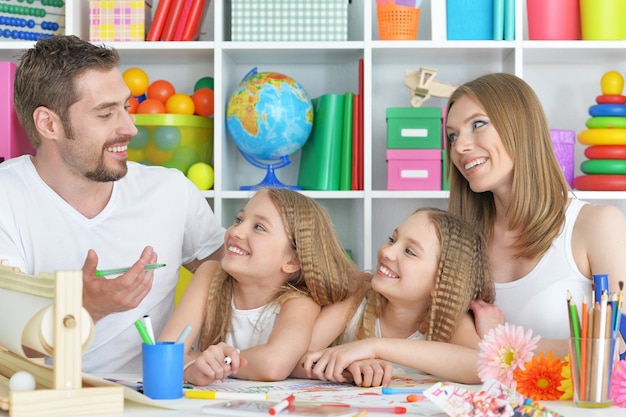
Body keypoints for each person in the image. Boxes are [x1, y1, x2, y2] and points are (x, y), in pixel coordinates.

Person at [0, 35, 225, 373]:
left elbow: (248, 274)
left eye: (127, 107)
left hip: (155, 402)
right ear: (49, 124)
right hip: (44, 405)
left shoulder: (171, 190)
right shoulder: (7, 197)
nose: (130, 128)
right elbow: (10, 354)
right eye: (106, 115)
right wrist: (89, 308)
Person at [445, 72, 626, 356]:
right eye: (452, 135)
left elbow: (617, 346)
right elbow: (453, 344)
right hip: (482, 400)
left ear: (522, 127)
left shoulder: (597, 225)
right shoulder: (462, 240)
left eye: (477, 124)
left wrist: (500, 340)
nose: (459, 146)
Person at [159, 187, 361, 386]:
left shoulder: (299, 301)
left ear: (292, 261)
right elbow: (162, 356)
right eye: (239, 219)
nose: (236, 231)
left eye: (259, 227)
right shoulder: (210, 275)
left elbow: (274, 364)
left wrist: (207, 361)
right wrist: (195, 369)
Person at [299, 207, 495, 387]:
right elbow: (294, 357)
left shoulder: (451, 322)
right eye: (392, 239)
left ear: (443, 282)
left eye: (410, 251)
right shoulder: (354, 299)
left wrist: (374, 347)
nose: (387, 252)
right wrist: (346, 367)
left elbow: (481, 365)